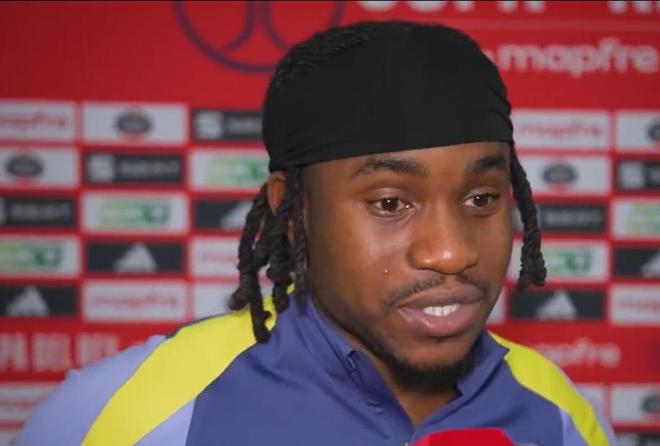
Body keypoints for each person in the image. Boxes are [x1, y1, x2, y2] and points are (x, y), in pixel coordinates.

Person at [16, 20, 615, 446]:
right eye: (389, 203)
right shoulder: (131, 412)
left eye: (481, 199)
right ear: (295, 210)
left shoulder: (558, 413)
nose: (451, 251)